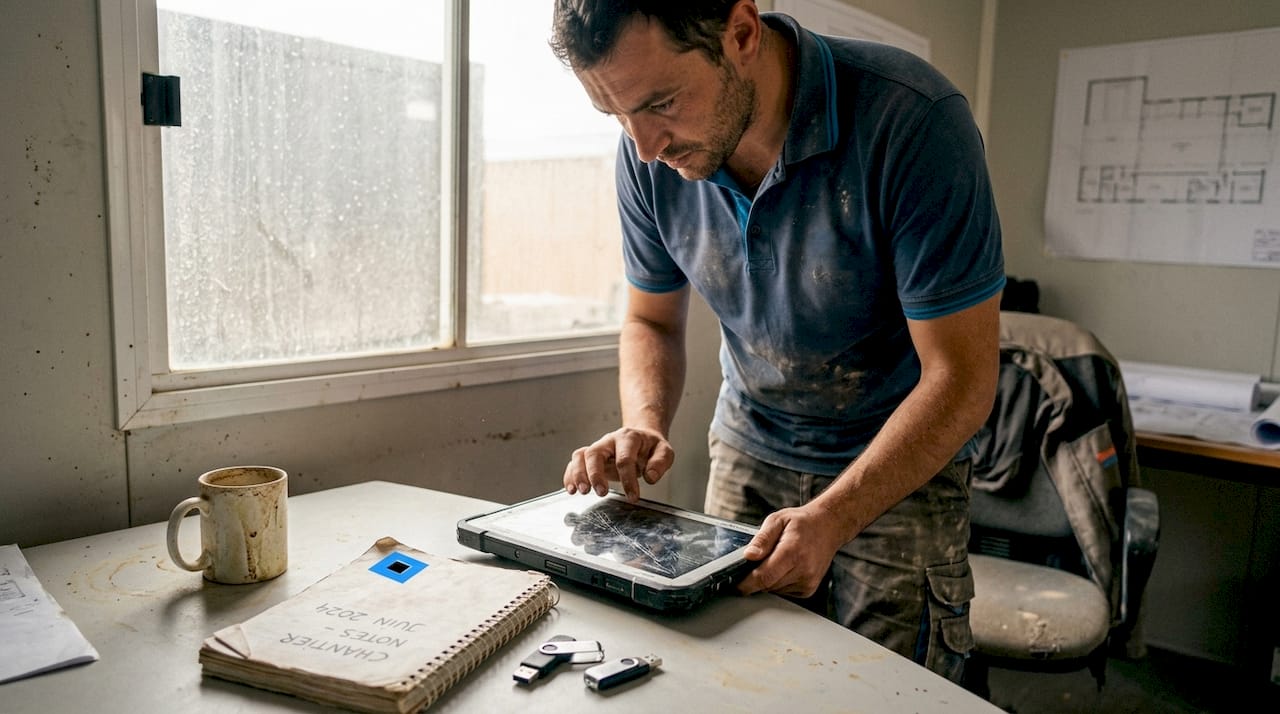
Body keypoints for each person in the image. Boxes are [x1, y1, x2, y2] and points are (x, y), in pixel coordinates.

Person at [550, 0, 1004, 683]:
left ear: (740, 33)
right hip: (750, 442)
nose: (644, 146)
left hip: (898, 465)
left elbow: (962, 380)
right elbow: (650, 320)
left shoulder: (913, 121)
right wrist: (643, 423)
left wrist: (834, 515)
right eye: (615, 116)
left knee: (883, 691)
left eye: (662, 103)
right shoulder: (648, 154)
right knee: (733, 677)